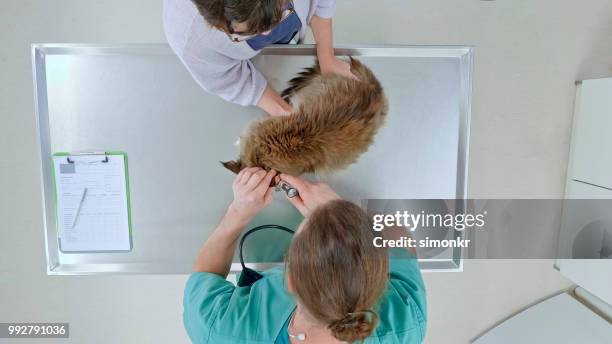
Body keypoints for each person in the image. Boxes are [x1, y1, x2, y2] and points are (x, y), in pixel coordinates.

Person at [184, 167, 427, 343]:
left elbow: (205, 274)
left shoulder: (223, 330)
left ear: (289, 280)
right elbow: (399, 237)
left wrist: (238, 211)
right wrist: (341, 215)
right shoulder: (404, 324)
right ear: (378, 284)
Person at [163, 0, 355, 117]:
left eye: (282, 9)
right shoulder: (188, 34)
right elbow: (224, 77)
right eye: (251, 31)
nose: (268, 32)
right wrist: (282, 111)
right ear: (216, 23)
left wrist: (327, 56)